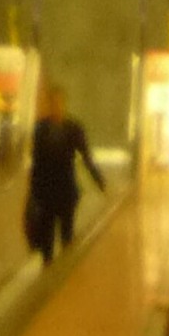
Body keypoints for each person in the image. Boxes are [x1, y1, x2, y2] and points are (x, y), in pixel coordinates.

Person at [23, 84, 105, 264]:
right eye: (52, 103)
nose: (56, 107)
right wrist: (32, 192)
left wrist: (99, 181)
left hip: (66, 191)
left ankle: (63, 270)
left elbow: (86, 157)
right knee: (46, 241)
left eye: (58, 103)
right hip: (45, 193)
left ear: (64, 104)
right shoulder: (39, 129)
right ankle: (48, 269)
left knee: (67, 236)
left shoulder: (73, 128)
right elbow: (36, 162)